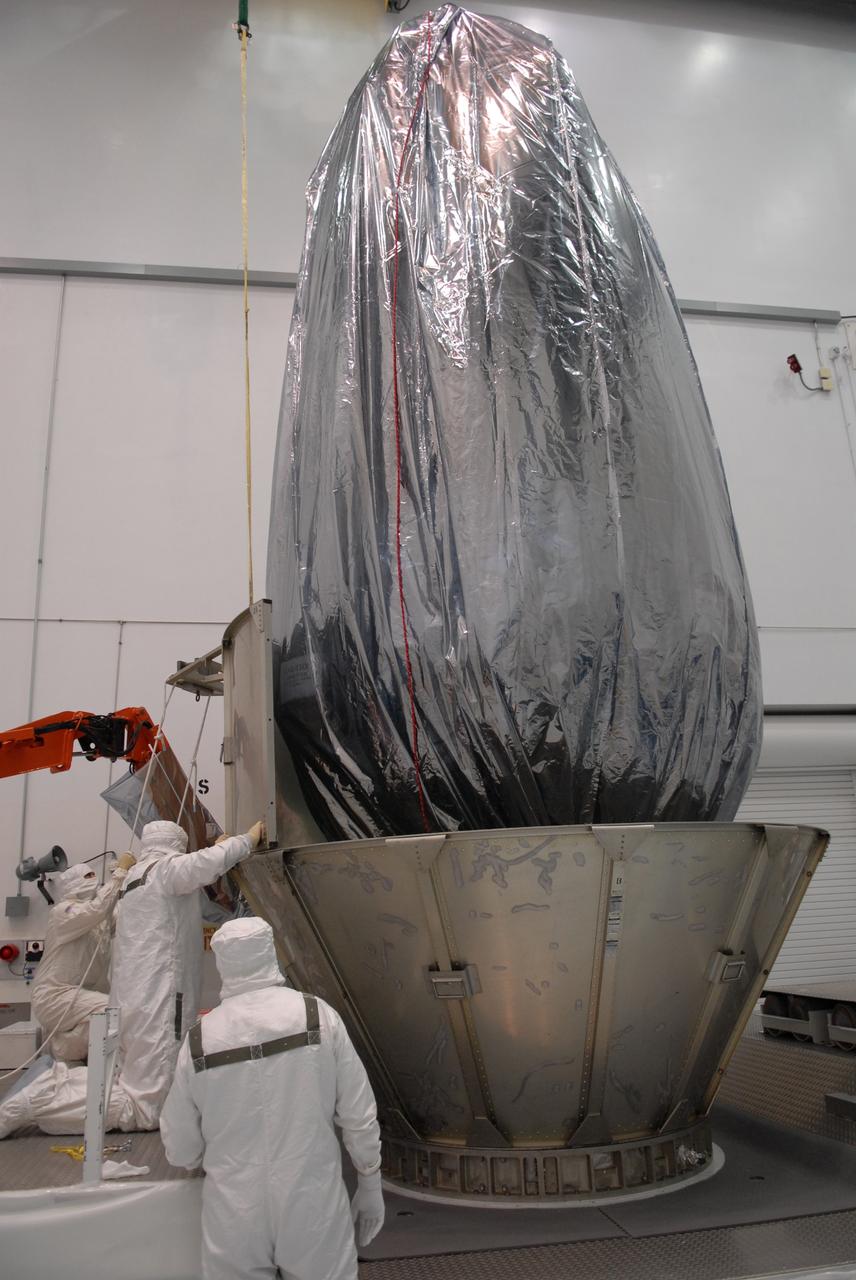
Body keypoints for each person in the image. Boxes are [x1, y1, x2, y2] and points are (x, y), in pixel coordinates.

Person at [0, 819, 265, 1139]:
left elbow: (197, 881)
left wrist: (222, 851)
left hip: (136, 996)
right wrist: (245, 841)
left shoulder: (134, 879)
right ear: (173, 844)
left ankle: (56, 1083)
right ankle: (36, 1099)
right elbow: (200, 865)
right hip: (158, 996)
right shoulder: (163, 871)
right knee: (147, 1106)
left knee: (131, 1079)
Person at [160, 917, 384, 1280]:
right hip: (312, 1200)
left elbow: (180, 1147)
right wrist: (370, 1180)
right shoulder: (318, 1016)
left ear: (222, 962)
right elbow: (358, 1112)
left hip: (233, 1209)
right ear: (270, 952)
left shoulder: (200, 1039)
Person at [30, 854, 136, 1063]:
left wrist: (133, 877)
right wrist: (119, 875)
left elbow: (124, 913)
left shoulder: (98, 918)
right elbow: (97, 909)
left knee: (113, 1012)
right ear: (71, 884)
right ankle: (60, 1048)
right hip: (54, 995)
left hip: (83, 994)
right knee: (112, 1012)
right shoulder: (63, 912)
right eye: (87, 876)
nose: (93, 880)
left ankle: (65, 1047)